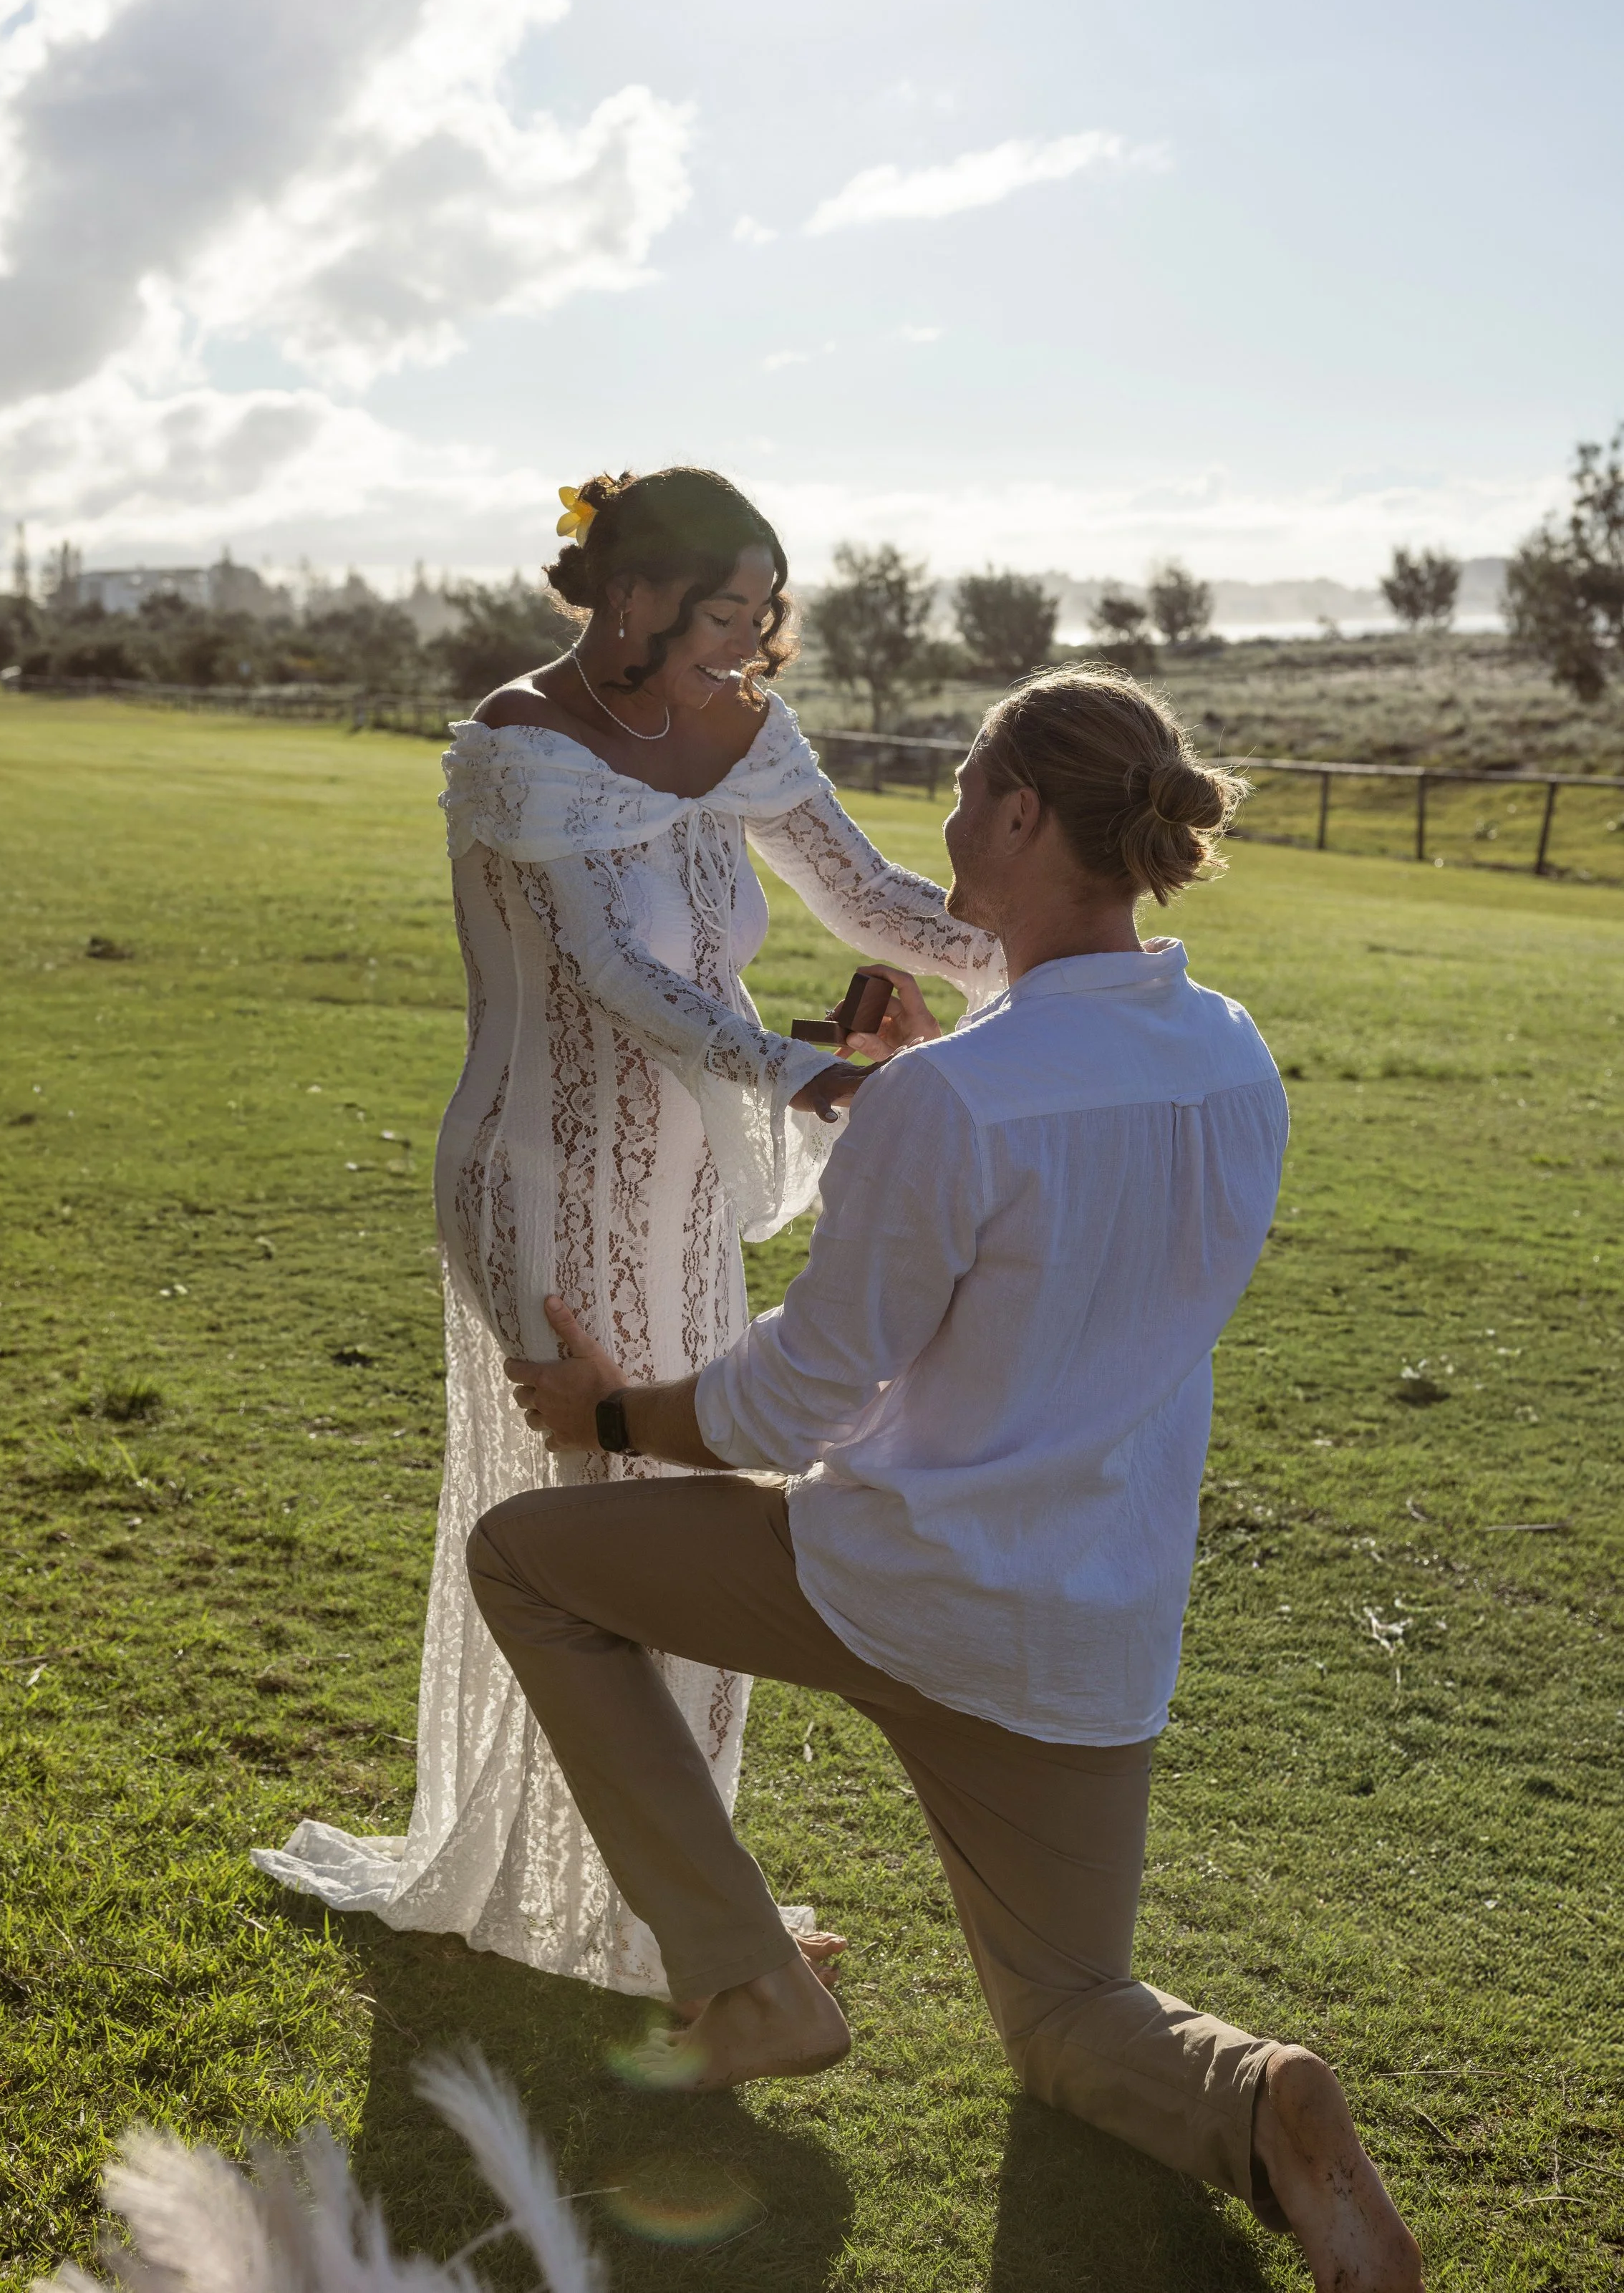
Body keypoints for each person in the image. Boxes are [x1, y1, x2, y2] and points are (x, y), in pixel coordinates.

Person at [480, 667, 1424, 2293]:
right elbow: (1054, 1250)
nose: (948, 817)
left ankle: (749, 1982)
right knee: (1066, 2019)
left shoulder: (957, 1096)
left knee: (526, 1560)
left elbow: (795, 1399)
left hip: (890, 1582)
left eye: (968, 789)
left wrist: (610, 1409)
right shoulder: (1229, 1055)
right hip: (1088, 1633)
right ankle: (1255, 2096)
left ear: (1020, 815)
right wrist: (918, 1096)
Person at [255, 467, 1006, 1995]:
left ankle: (676, 1902)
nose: (748, 641)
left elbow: (868, 895)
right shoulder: (521, 743)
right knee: (615, 1524)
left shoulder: (741, 728)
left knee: (703, 1503)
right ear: (631, 595)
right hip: (540, 1175)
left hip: (686, 1189)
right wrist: (812, 1075)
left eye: (763, 611)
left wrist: (1046, 966)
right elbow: (617, 974)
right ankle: (657, 1923)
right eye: (723, 610)